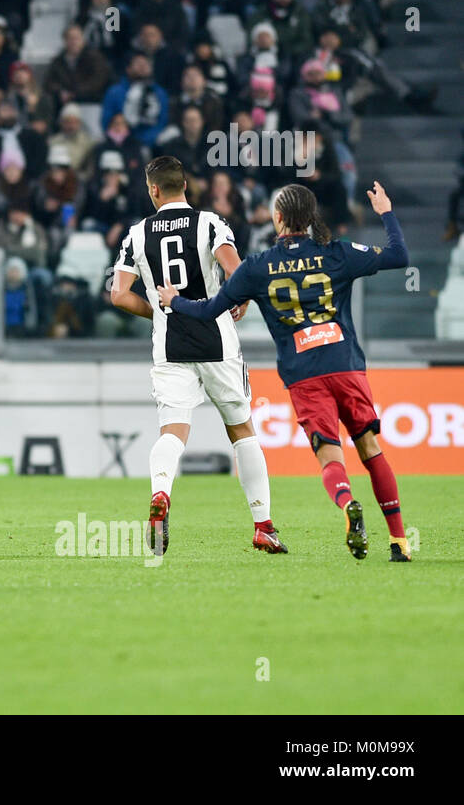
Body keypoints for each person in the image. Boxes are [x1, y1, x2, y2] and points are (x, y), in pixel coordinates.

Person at [158, 182, 413, 563]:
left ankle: (347, 505)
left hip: (304, 373)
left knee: (330, 458)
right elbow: (399, 256)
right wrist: (386, 212)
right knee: (371, 450)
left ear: (277, 218)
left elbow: (210, 311)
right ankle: (398, 543)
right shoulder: (338, 253)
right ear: (310, 219)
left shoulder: (257, 268)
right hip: (345, 365)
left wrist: (174, 300)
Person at [111, 157, 284, 556]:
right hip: (216, 338)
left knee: (172, 431)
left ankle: (160, 494)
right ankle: (263, 527)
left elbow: (119, 294)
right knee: (241, 428)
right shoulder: (209, 223)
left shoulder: (137, 233)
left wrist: (158, 310)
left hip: (169, 343)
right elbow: (236, 271)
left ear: (153, 190)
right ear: (185, 185)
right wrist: (234, 299)